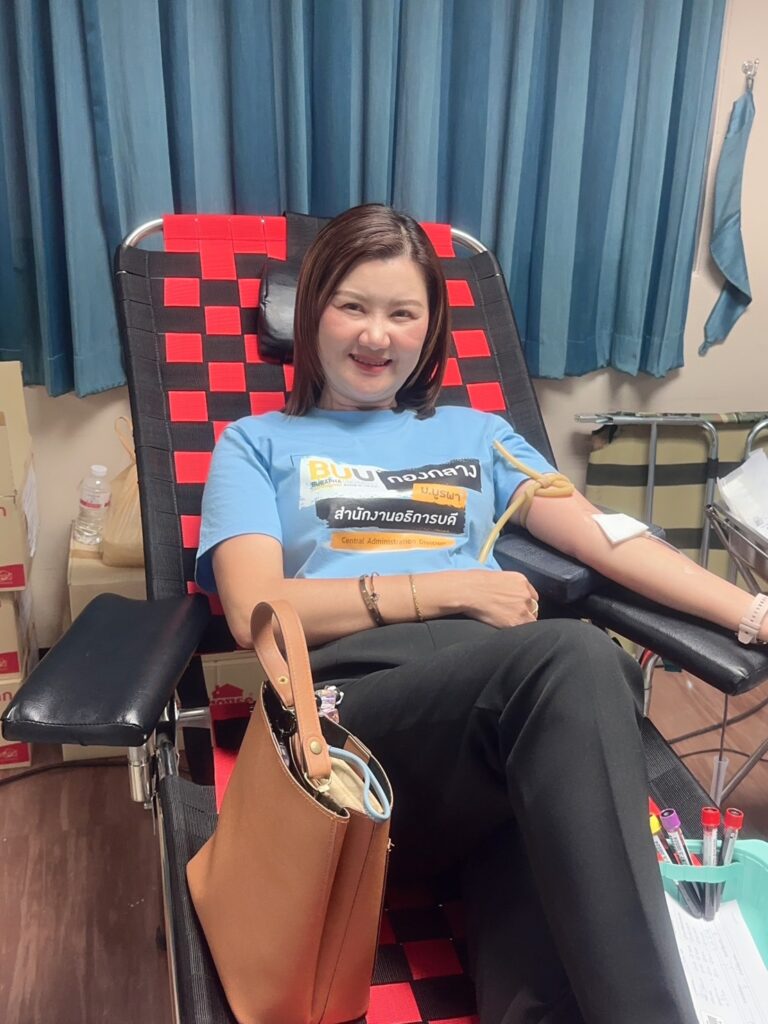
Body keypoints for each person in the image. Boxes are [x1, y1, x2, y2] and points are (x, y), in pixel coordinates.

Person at [196, 204, 767, 1024]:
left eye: (403, 313)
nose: (377, 335)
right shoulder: (255, 445)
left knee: (553, 833)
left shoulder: (478, 435)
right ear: (312, 310)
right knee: (574, 659)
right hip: (351, 735)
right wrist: (449, 589)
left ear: (431, 329)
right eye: (353, 306)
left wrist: (753, 611)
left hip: (498, 729)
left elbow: (608, 539)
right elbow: (257, 609)